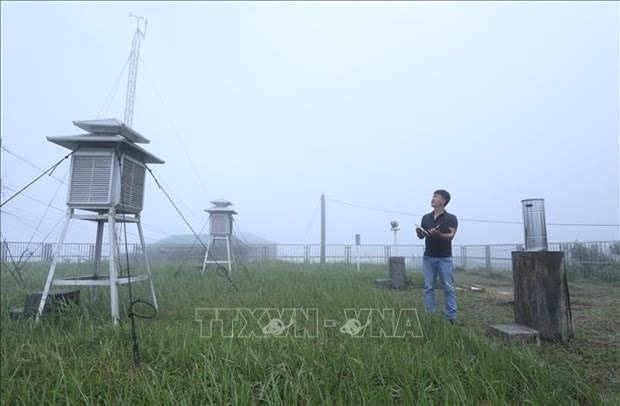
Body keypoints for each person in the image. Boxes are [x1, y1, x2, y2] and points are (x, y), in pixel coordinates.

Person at [416, 189, 459, 324]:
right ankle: (430, 315)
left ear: (443, 201)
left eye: (436, 197)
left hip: (444, 258)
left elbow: (451, 236)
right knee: (429, 287)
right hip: (428, 257)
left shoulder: (451, 218)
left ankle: (451, 317)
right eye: (433, 196)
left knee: (448, 287)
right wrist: (420, 233)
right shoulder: (426, 218)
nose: (432, 199)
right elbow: (422, 236)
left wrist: (438, 234)